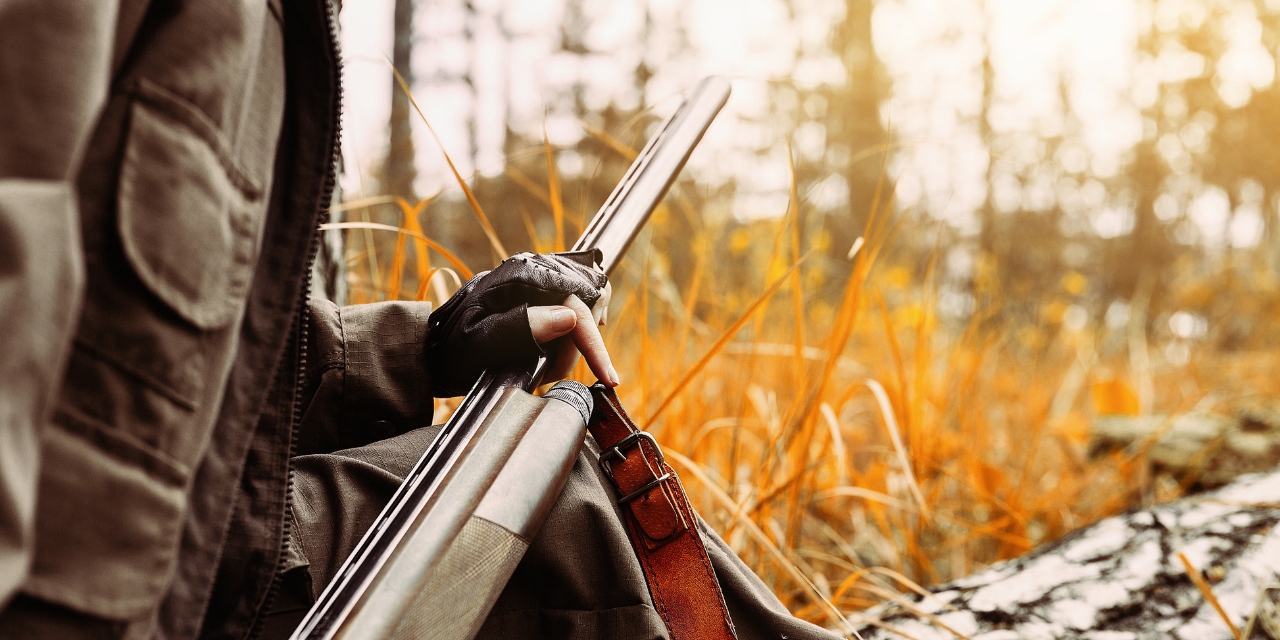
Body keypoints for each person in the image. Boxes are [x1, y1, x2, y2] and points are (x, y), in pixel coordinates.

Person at [0, 1, 842, 638]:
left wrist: (428, 345)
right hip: (110, 595)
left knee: (552, 469)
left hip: (210, 542)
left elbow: (184, 348)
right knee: (567, 517)